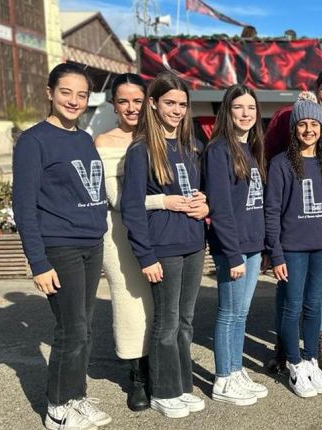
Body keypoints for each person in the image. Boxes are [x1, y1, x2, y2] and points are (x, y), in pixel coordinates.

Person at [13, 63, 112, 429]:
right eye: (66, 92)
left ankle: (76, 395)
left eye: (81, 94)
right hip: (60, 248)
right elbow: (23, 206)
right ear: (50, 92)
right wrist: (38, 262)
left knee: (84, 328)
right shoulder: (34, 140)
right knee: (71, 331)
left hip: (90, 245)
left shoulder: (84, 138)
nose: (74, 100)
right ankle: (57, 408)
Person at [95, 73, 192, 412]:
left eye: (137, 100)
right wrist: (164, 200)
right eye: (124, 101)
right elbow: (117, 197)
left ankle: (162, 373)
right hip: (121, 234)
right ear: (114, 105)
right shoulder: (105, 142)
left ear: (148, 101)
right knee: (132, 306)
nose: (131, 107)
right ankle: (137, 377)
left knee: (162, 311)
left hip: (160, 230)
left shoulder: (162, 138)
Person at [120, 72, 209, 419]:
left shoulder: (190, 147)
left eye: (182, 104)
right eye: (170, 103)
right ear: (153, 104)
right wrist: (146, 255)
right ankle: (164, 391)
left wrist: (205, 202)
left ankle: (182, 385)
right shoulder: (141, 149)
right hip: (164, 247)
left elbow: (198, 195)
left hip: (193, 244)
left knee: (186, 321)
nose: (176, 110)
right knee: (166, 323)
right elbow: (131, 206)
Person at [264, 67, 322, 373]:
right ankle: (286, 352)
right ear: (316, 89)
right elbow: (273, 202)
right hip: (292, 239)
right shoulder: (283, 127)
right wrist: (273, 250)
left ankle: (316, 350)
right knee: (289, 300)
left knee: (317, 299)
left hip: (321, 241)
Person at [203, 84, 269, 405]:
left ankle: (235, 368)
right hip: (234, 249)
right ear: (227, 112)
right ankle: (223, 379)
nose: (246, 114)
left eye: (251, 109)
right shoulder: (218, 150)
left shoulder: (252, 149)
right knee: (229, 313)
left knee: (242, 314)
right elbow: (220, 208)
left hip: (253, 246)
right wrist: (232, 254)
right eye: (239, 108)